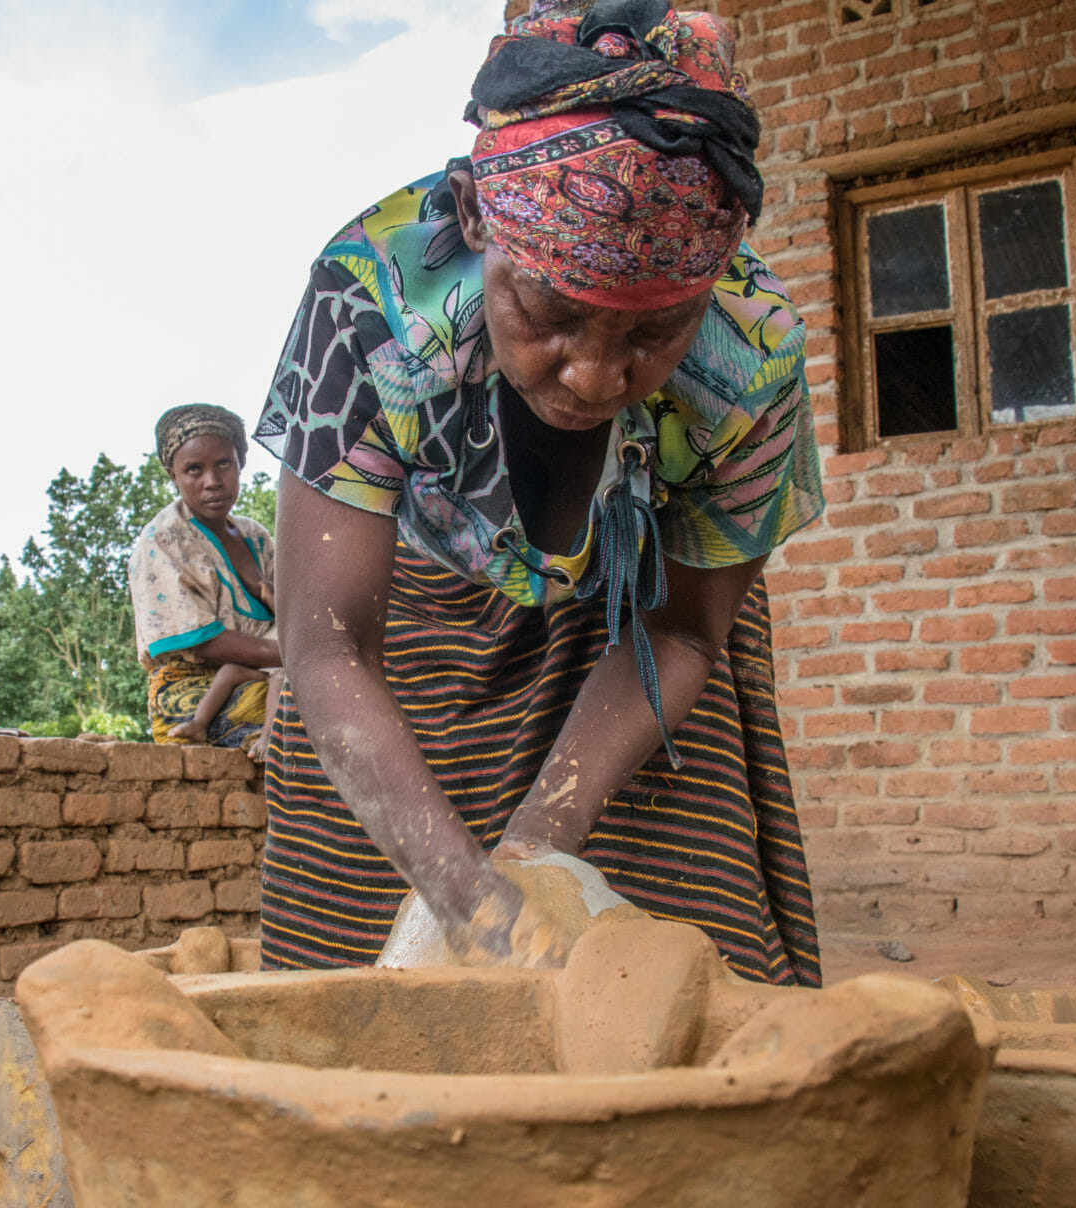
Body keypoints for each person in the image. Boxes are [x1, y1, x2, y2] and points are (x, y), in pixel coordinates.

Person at [252, 0, 826, 979]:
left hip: (636, 637)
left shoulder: (752, 350)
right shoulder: (373, 303)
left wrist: (540, 842)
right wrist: (469, 896)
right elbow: (329, 639)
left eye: (654, 333)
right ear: (477, 218)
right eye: (551, 314)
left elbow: (686, 629)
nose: (598, 377)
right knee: (347, 994)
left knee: (671, 975)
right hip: (401, 637)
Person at [128, 404, 282, 760]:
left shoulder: (255, 537)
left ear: (240, 463)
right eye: (194, 470)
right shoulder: (164, 540)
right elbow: (204, 643)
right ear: (173, 475)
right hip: (194, 692)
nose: (212, 481)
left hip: (263, 676)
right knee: (313, 706)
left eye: (224, 464)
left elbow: (293, 612)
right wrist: (296, 656)